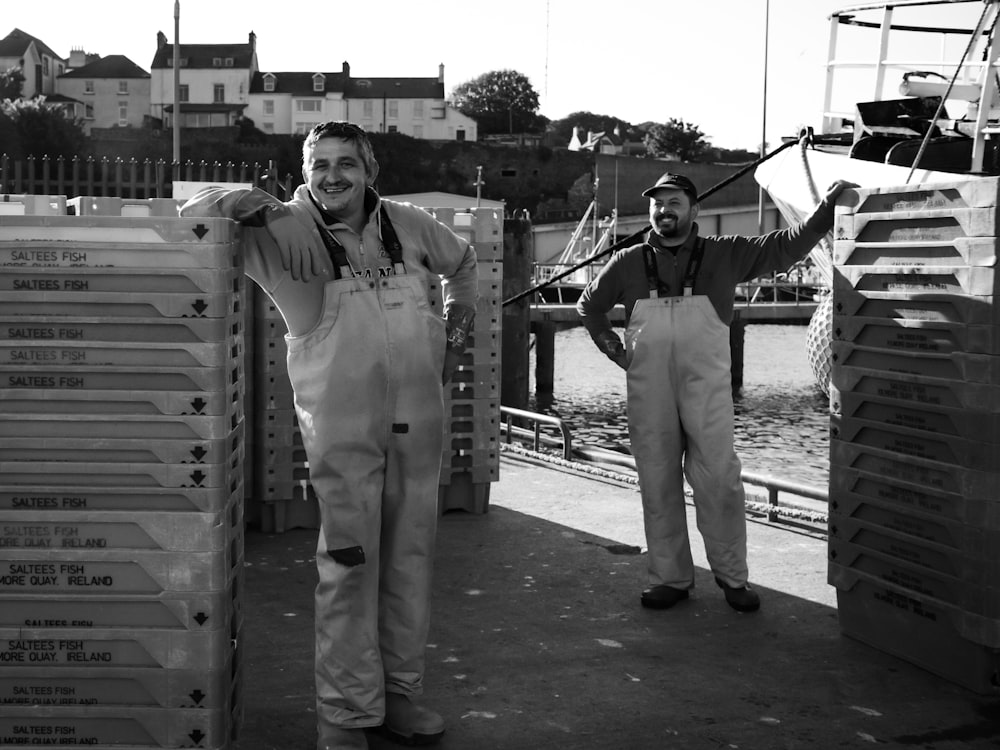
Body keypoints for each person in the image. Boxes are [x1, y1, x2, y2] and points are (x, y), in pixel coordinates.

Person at [180, 121, 478, 750]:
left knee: (410, 560)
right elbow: (192, 211)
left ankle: (399, 696)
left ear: (371, 170)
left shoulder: (411, 224)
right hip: (343, 435)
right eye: (319, 164)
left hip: (419, 425)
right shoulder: (278, 232)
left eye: (347, 163)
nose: (333, 176)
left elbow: (465, 264)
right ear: (303, 171)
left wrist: (455, 333)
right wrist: (264, 207)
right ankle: (345, 716)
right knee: (348, 565)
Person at [576, 172, 852, 614]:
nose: (664, 211)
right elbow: (589, 305)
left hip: (706, 390)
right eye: (657, 203)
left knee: (719, 479)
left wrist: (824, 213)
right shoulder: (627, 261)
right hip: (649, 391)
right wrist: (614, 349)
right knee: (657, 481)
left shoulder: (727, 254)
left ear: (694, 209)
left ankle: (732, 579)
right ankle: (669, 578)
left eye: (674, 203)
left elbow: (785, 246)